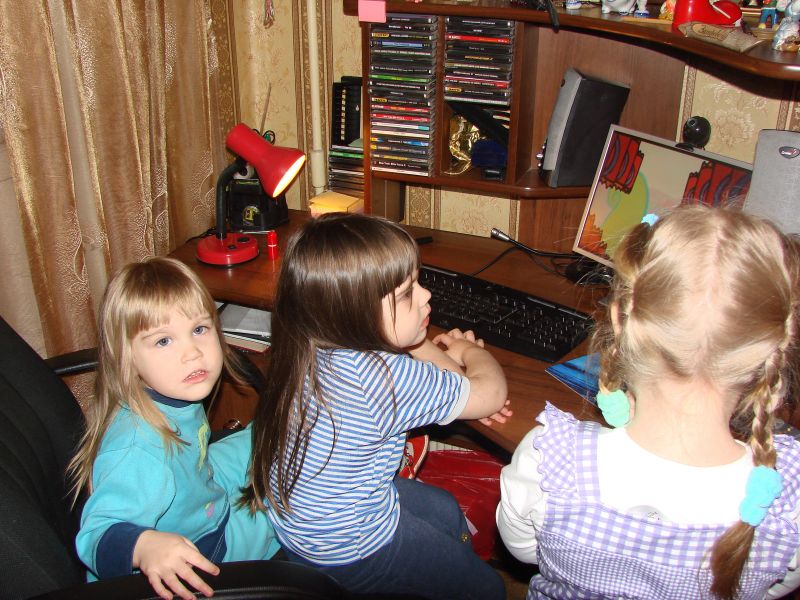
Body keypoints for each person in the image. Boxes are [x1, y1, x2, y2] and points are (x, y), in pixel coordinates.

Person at [497, 206, 800, 600]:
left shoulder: (550, 460)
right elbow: (772, 587)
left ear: (619, 319)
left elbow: (524, 549)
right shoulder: (787, 497)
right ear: (770, 350)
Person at [245, 212, 511, 600]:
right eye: (407, 293)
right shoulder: (381, 378)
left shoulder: (308, 342)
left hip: (306, 524)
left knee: (444, 508)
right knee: (488, 589)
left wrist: (419, 340)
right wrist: (470, 351)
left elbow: (454, 382)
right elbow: (491, 395)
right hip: (354, 547)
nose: (426, 296)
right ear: (354, 312)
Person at [69, 257, 280, 600]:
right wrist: (144, 546)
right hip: (207, 549)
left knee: (270, 435)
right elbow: (96, 535)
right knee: (292, 495)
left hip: (196, 482)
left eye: (199, 330)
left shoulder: (169, 392)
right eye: (163, 341)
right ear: (127, 358)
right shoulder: (139, 451)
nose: (192, 353)